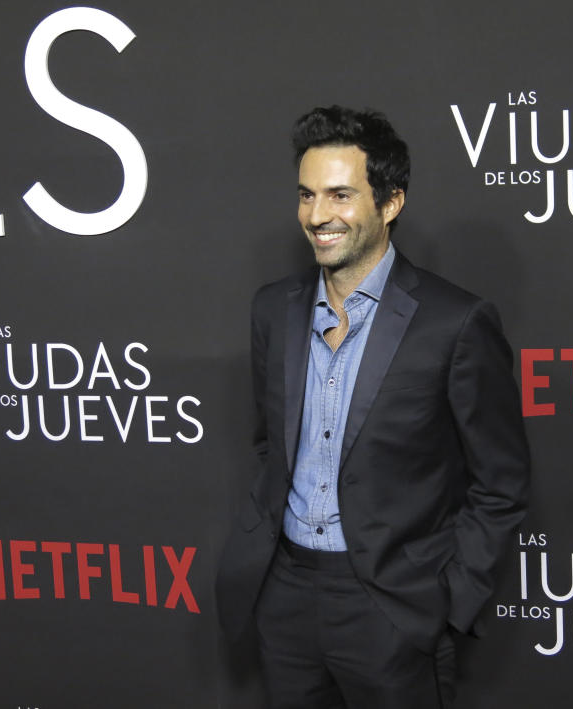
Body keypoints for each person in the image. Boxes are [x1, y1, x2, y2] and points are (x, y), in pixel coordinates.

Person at [216, 105, 530, 709]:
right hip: (284, 596)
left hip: (393, 607)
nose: (317, 215)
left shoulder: (456, 322)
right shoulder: (272, 310)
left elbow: (501, 483)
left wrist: (449, 600)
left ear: (390, 203)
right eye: (306, 195)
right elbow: (268, 443)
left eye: (340, 194)